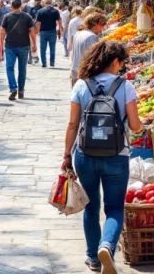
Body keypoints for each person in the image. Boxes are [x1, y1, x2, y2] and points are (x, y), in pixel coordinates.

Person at [61, 41, 142, 273]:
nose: (122, 68)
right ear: (115, 61)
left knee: (90, 207)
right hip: (117, 155)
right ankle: (107, 245)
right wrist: (141, 125)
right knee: (115, 208)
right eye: (121, 63)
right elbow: (135, 126)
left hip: (85, 155)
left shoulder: (81, 85)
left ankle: (93, 258)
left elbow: (73, 124)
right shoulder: (125, 87)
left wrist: (67, 154)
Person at [0, 0, 36, 101]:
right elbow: (32, 32)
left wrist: (1, 45)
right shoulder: (27, 17)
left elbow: (2, 32)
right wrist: (34, 44)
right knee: (22, 69)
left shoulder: (7, 17)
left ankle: (13, 88)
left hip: (10, 46)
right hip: (24, 46)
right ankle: (21, 91)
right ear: (21, 6)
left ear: (11, 6)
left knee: (9, 68)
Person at [71, 13, 108, 84]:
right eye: (102, 24)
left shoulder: (78, 33)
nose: (103, 28)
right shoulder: (91, 37)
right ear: (95, 24)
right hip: (84, 74)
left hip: (75, 70)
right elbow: (94, 56)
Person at [35, 0, 62, 68]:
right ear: (51, 3)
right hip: (52, 31)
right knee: (52, 48)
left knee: (42, 48)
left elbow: (38, 23)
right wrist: (60, 29)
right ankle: (52, 63)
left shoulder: (40, 11)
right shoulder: (55, 11)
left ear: (45, 3)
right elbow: (59, 20)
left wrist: (37, 31)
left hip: (43, 32)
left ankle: (44, 63)